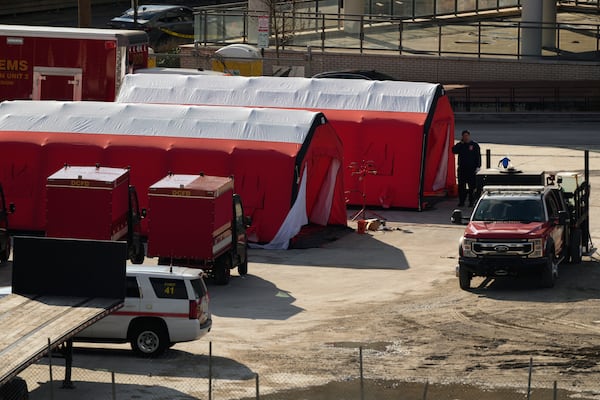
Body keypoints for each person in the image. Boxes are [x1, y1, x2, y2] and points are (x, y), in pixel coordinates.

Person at [452, 129, 481, 207]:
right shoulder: (461, 145)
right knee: (461, 186)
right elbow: (454, 151)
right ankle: (462, 201)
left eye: (467, 136)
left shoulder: (474, 145)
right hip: (462, 169)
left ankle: (471, 202)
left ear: (469, 136)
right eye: (464, 136)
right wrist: (460, 143)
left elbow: (478, 156)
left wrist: (478, 166)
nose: (466, 137)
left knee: (472, 186)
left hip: (471, 169)